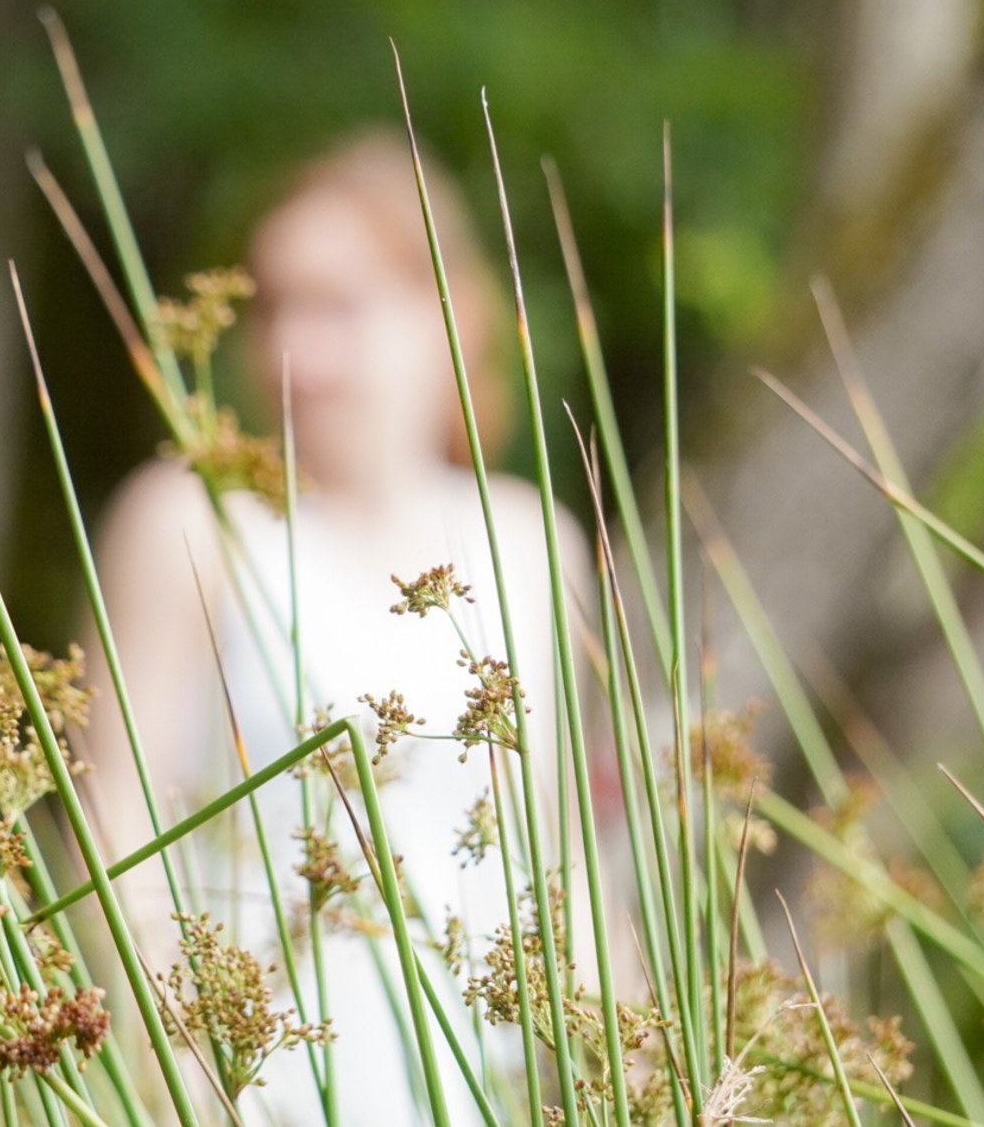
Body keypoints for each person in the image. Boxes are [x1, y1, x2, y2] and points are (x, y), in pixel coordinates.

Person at [79, 131, 604, 1126]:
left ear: (445, 317)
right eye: (277, 307)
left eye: (340, 307)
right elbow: (120, 833)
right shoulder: (195, 520)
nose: (297, 351)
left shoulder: (535, 544)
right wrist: (188, 1079)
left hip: (485, 1082)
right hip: (256, 1079)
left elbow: (565, 857)